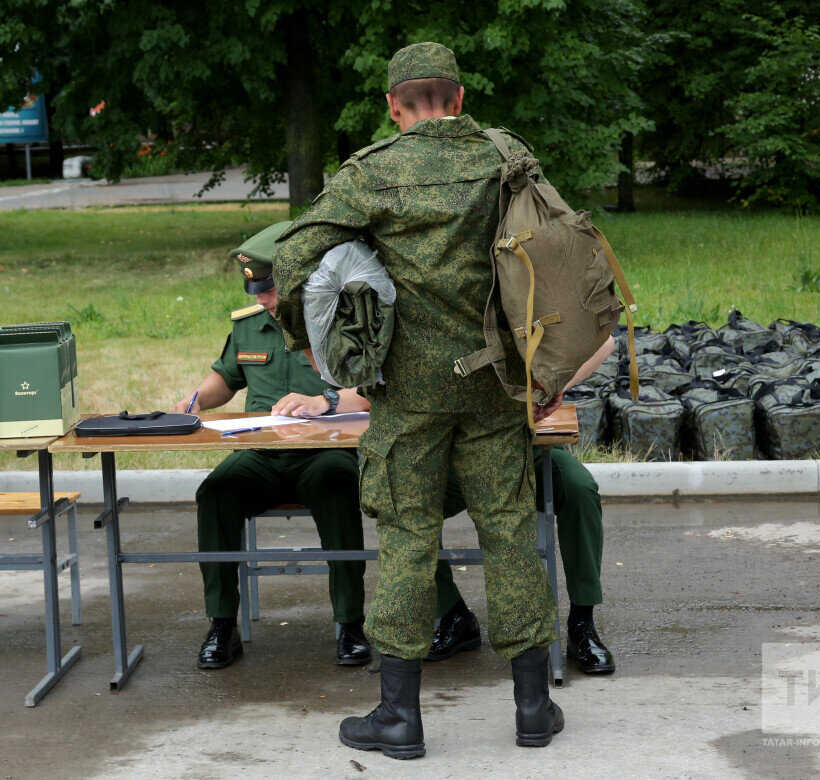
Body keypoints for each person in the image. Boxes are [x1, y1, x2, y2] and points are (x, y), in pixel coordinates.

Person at [273, 42, 563, 757]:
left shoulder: (373, 172)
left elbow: (291, 261)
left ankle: (399, 718)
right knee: (509, 532)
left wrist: (315, 345)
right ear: (459, 99)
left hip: (406, 393)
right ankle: (533, 707)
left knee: (407, 540)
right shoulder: (506, 155)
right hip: (497, 383)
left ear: (393, 107)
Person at [173, 221, 373, 670]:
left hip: (327, 453)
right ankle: (222, 625)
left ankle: (349, 624)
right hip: (260, 452)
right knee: (216, 493)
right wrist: (195, 401)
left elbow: (376, 392)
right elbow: (225, 379)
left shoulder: (340, 322)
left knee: (339, 487)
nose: (261, 299)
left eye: (269, 290)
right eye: (256, 291)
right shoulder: (250, 326)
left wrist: (323, 400)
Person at [431, 337, 617, 675]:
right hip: (451, 456)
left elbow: (602, 341)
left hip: (520, 446)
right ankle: (453, 614)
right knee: (401, 506)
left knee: (580, 490)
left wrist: (553, 383)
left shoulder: (516, 290)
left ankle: (581, 624)